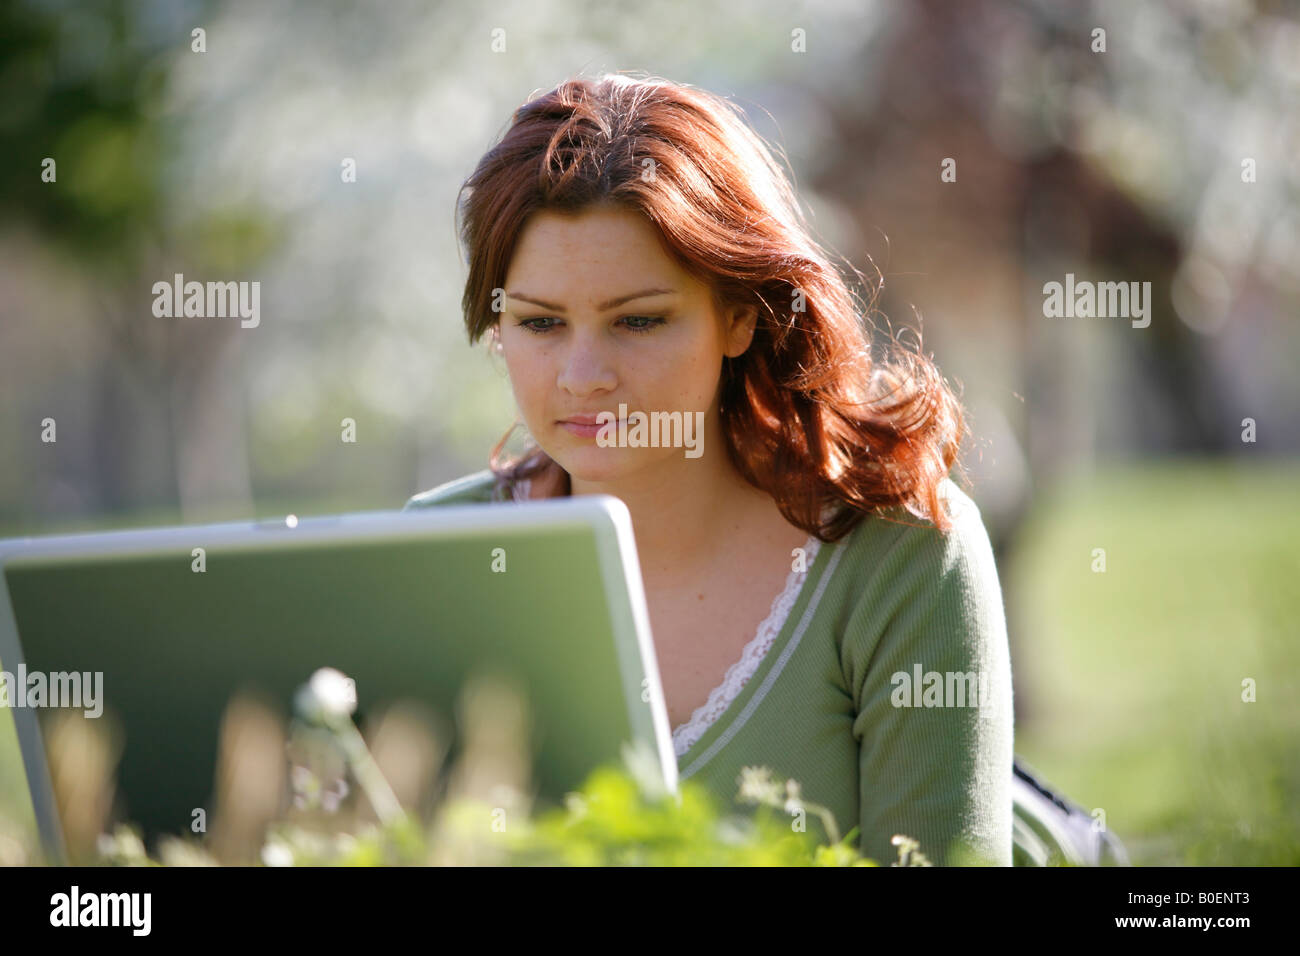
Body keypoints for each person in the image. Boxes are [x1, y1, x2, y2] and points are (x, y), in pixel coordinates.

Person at [405, 72, 1014, 866]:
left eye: (640, 320)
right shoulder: (432, 554)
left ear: (738, 316)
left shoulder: (903, 555)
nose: (584, 374)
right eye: (540, 322)